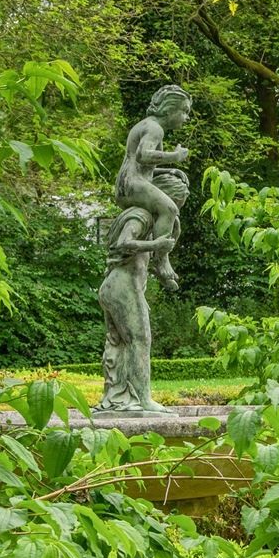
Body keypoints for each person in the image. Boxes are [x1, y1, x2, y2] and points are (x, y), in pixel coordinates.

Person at [94, 169, 188, 415]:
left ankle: (119, 398)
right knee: (140, 339)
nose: (172, 211)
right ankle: (143, 400)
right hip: (121, 286)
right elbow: (123, 244)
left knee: (121, 343)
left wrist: (164, 269)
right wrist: (156, 244)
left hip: (119, 287)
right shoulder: (141, 215)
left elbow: (141, 260)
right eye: (174, 204)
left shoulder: (146, 219)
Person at [115, 85, 192, 291]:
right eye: (184, 111)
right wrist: (173, 158)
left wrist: (167, 171)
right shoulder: (154, 128)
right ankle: (162, 260)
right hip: (130, 185)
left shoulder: (150, 126)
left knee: (173, 216)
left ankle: (155, 253)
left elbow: (144, 167)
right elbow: (143, 155)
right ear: (169, 109)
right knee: (169, 209)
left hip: (133, 181)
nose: (186, 117)